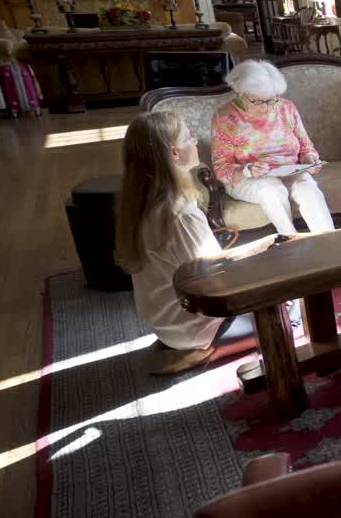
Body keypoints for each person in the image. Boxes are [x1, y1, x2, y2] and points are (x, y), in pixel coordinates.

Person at [115, 111, 286, 374]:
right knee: (292, 311)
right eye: (189, 137)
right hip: (194, 327)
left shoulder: (139, 204)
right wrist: (263, 258)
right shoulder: (179, 212)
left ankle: (185, 347)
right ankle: (207, 353)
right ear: (174, 153)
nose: (195, 141)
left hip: (164, 323)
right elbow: (215, 279)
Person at [211, 60, 335, 235]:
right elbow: (221, 168)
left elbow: (306, 148)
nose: (266, 108)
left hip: (289, 171)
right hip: (247, 178)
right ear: (240, 93)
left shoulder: (286, 108)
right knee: (272, 189)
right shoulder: (224, 117)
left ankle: (331, 243)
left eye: (271, 100)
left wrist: (310, 159)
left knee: (308, 188)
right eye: (257, 101)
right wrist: (248, 170)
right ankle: (291, 243)